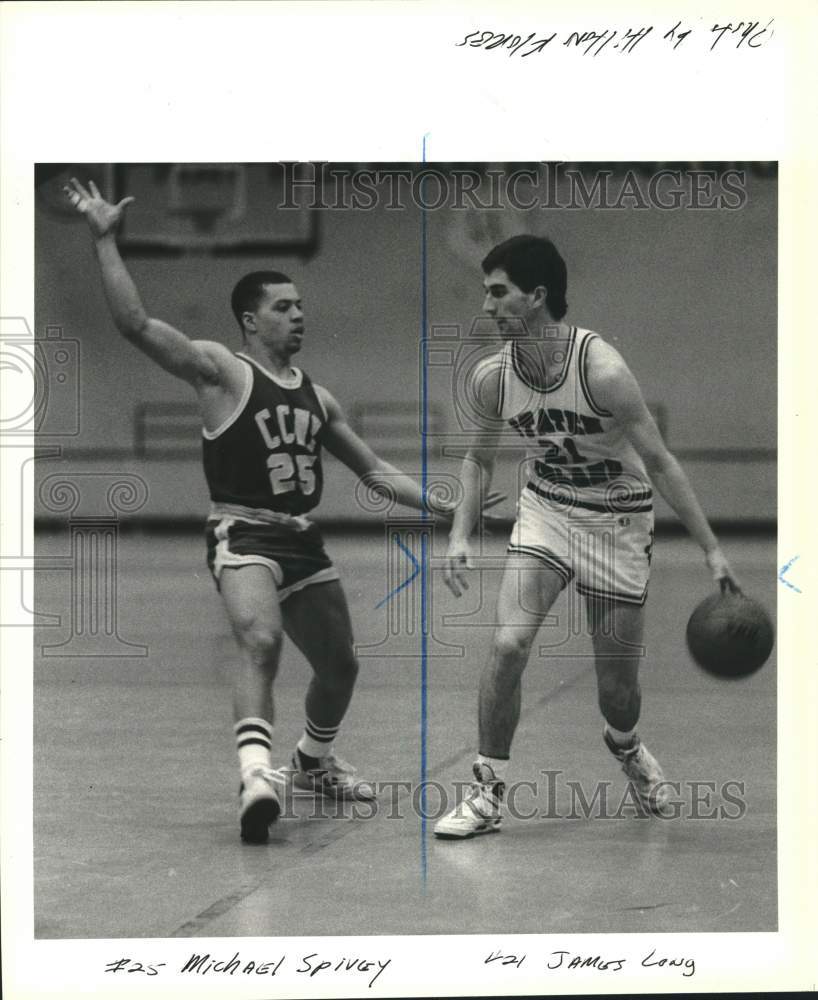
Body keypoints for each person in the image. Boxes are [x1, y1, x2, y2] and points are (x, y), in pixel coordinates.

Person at [65, 178, 499, 845]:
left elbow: (373, 472)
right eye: (283, 307)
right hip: (242, 531)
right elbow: (136, 325)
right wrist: (104, 240)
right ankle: (255, 777)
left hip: (301, 539)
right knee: (260, 642)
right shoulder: (221, 371)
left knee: (341, 668)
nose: (298, 316)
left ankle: (312, 763)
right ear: (250, 319)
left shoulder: (317, 398)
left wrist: (445, 507)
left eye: (300, 306)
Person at [434, 234, 739, 839]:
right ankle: (487, 791)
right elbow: (477, 459)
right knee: (508, 645)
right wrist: (460, 533)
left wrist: (711, 548)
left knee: (617, 694)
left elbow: (659, 461)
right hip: (547, 511)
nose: (489, 306)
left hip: (618, 521)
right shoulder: (494, 378)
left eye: (500, 293)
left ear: (537, 296)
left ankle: (625, 746)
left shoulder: (601, 370)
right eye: (485, 293)